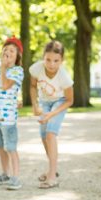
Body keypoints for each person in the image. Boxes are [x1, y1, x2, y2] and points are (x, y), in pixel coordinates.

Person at [29, 40, 74, 189]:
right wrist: (35, 105)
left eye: (56, 60)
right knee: (43, 136)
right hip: (45, 101)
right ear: (43, 57)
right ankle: (52, 169)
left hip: (60, 102)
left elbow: (69, 100)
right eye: (48, 59)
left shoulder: (64, 77)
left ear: (62, 60)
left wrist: (51, 115)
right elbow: (33, 86)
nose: (51, 64)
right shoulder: (36, 69)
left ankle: (52, 177)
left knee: (50, 134)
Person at [0, 36, 24, 190]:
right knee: (1, 146)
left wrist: (3, 67)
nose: (7, 53)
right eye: (5, 50)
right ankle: (5, 173)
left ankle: (15, 177)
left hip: (8, 118)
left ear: (17, 57)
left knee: (10, 147)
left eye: (12, 51)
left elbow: (5, 85)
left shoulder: (17, 71)